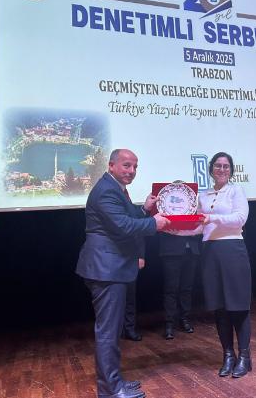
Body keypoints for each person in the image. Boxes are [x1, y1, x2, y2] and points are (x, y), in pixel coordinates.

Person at [75, 149, 170, 398]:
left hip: (111, 268)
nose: (132, 171)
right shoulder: (107, 190)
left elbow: (126, 216)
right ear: (111, 165)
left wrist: (145, 209)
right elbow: (123, 226)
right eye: (126, 165)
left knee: (112, 330)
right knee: (108, 332)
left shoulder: (115, 189)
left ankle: (114, 382)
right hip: (106, 268)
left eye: (135, 166)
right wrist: (154, 223)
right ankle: (109, 390)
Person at [198, 152, 252, 378]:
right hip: (209, 251)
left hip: (232, 250)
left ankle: (244, 356)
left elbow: (240, 219)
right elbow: (198, 227)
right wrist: (172, 225)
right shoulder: (202, 196)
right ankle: (228, 355)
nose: (222, 169)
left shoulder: (236, 191)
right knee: (219, 307)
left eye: (226, 166)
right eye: (218, 166)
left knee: (238, 305)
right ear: (211, 169)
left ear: (231, 170)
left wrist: (212, 218)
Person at [158, 232, 200, 339]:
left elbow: (201, 226)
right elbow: (158, 227)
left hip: (191, 250)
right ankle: (169, 323)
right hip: (171, 250)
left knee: (187, 288)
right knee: (171, 289)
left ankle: (184, 319)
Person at [121, 257, 144, 342]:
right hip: (111, 260)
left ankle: (129, 329)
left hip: (130, 260)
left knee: (130, 298)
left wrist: (141, 256)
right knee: (114, 299)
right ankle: (115, 329)